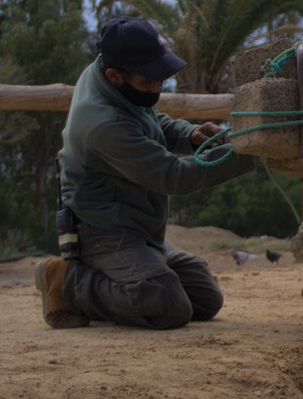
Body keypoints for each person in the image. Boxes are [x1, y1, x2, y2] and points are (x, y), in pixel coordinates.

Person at [35, 17, 259, 329]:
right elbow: (174, 175)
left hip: (137, 226)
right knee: (168, 306)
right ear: (114, 76)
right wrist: (250, 151)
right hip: (102, 231)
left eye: (159, 82)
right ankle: (68, 282)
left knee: (205, 300)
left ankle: (127, 284)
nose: (156, 90)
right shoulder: (101, 124)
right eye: (148, 84)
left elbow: (148, 120)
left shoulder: (109, 76)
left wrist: (190, 134)